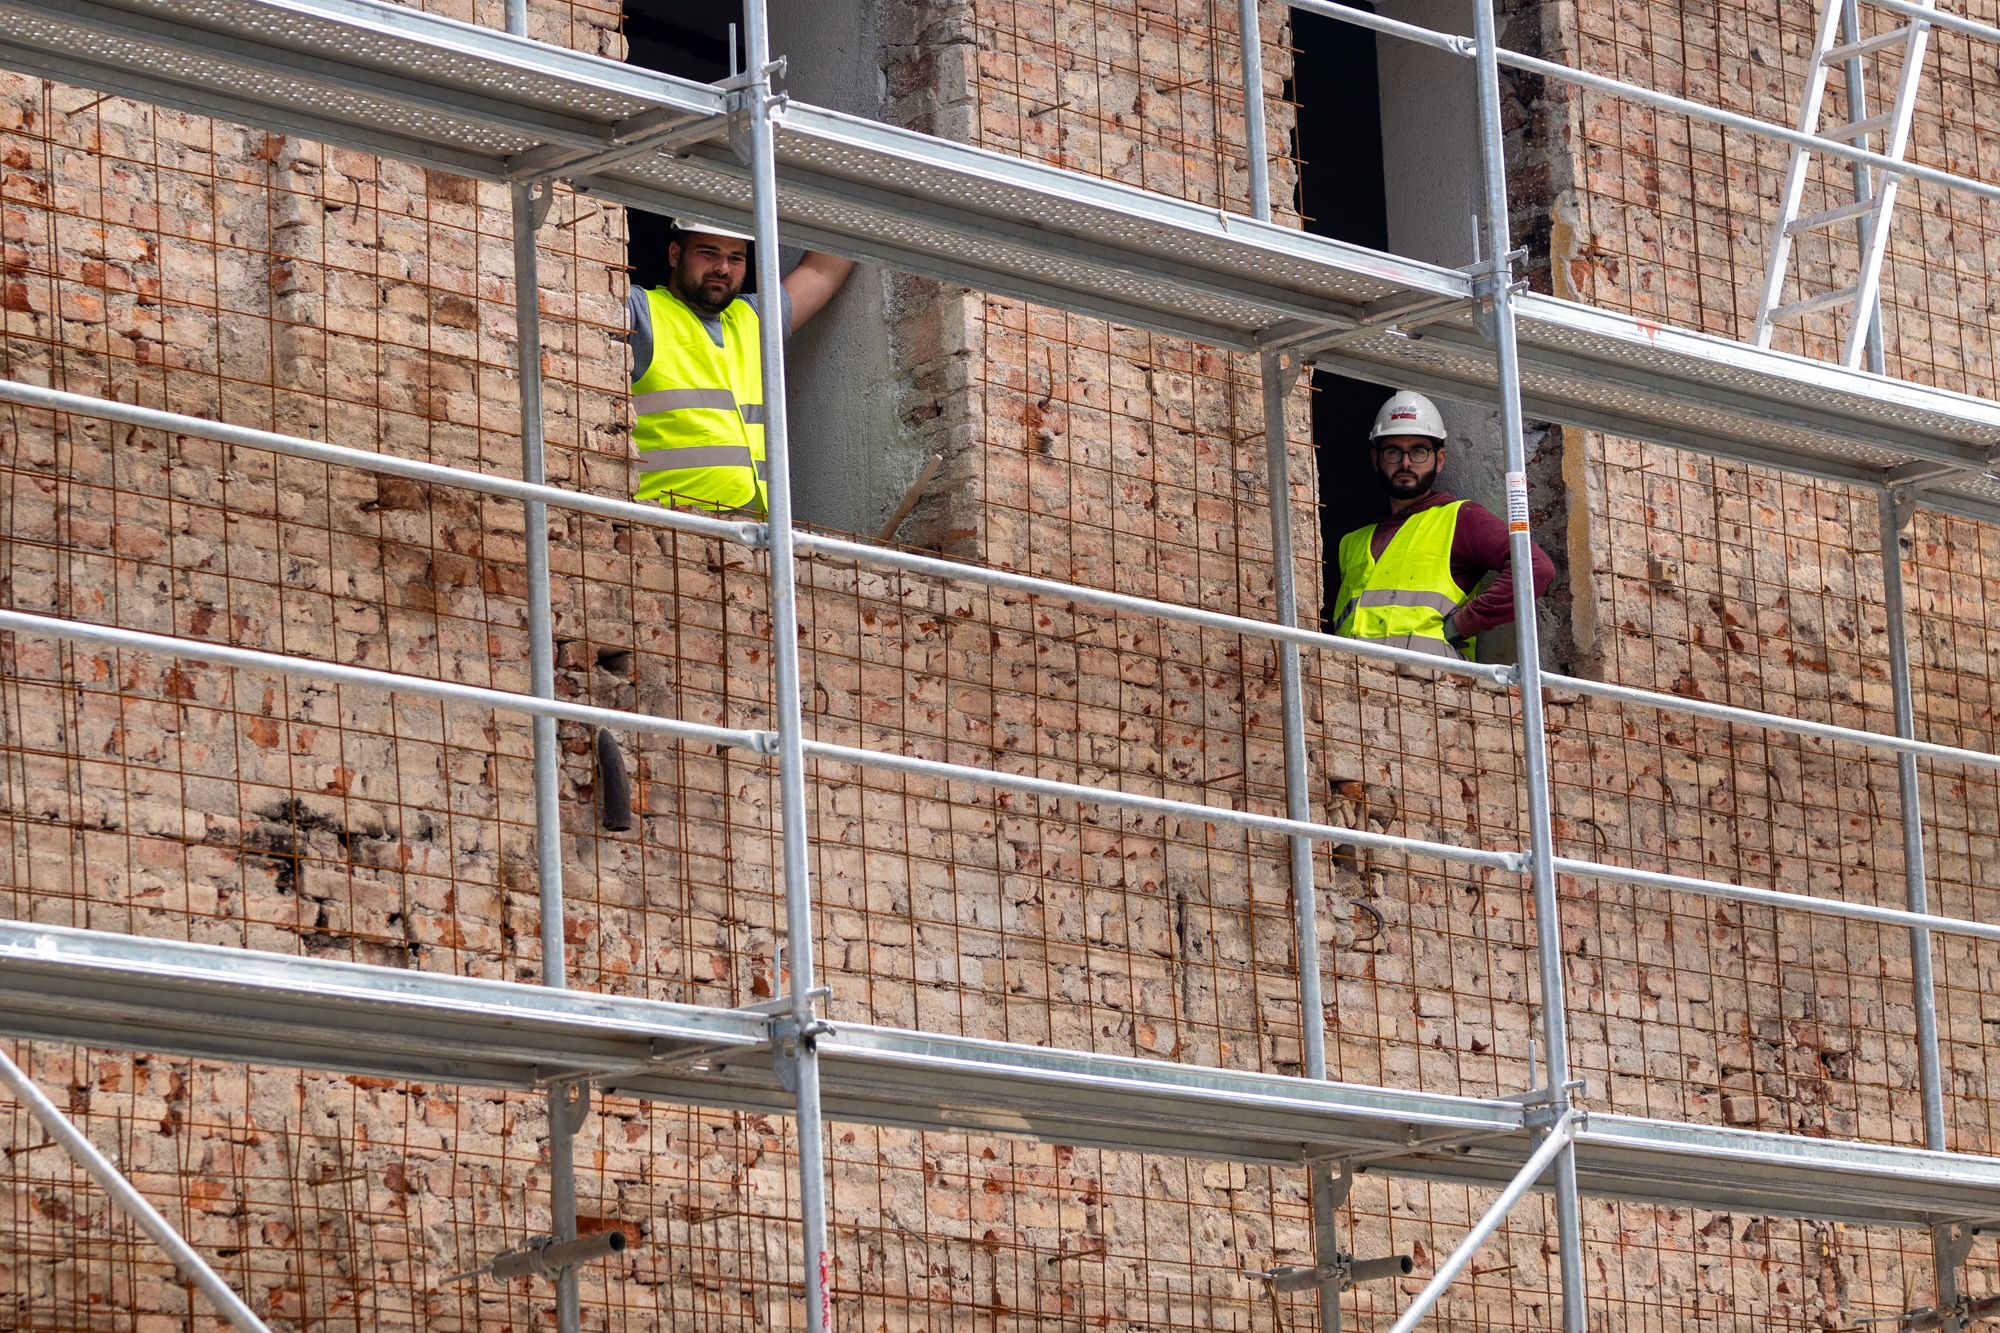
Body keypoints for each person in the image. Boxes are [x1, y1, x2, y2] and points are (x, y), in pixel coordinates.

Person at [626, 220, 854, 514]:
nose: (723, 268)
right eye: (708, 253)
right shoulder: (640, 311)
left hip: (753, 532)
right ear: (674, 254)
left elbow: (820, 271)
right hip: (667, 525)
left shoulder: (753, 318)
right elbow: (581, 292)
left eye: (736, 258)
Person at [1331, 390, 1554, 661]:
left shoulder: (1459, 518)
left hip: (1430, 690)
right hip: (1351, 688)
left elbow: (1535, 567)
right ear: (1376, 459)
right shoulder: (1350, 544)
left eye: (1419, 451)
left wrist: (1460, 626)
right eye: (1393, 451)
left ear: (1439, 460)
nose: (1405, 462)